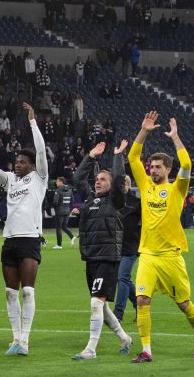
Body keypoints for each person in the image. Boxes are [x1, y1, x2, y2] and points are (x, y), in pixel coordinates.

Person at [127, 112, 194, 363]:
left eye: (158, 167)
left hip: (171, 257)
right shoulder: (145, 186)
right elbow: (132, 157)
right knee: (142, 299)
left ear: (167, 169)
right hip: (148, 256)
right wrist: (143, 130)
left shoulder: (177, 189)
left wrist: (175, 138)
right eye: (151, 166)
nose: (152, 170)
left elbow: (187, 165)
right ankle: (146, 350)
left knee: (184, 304)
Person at [0, 102, 48, 356]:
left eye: (22, 162)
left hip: (30, 239)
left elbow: (41, 151)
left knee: (28, 291)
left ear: (32, 165)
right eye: (16, 162)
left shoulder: (39, 177)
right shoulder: (10, 180)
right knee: (11, 292)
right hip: (9, 239)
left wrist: (32, 122)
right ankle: (15, 338)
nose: (17, 165)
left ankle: (26, 340)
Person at [70, 141, 133, 360]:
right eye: (96, 179)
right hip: (90, 257)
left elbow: (118, 182)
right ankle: (125, 337)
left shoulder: (116, 200)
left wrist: (118, 157)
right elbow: (77, 179)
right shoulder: (90, 199)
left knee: (96, 302)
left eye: (102, 179)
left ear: (112, 183)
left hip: (108, 257)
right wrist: (91, 156)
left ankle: (91, 349)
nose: (97, 182)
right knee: (101, 305)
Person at [112, 175, 140, 324]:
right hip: (117, 246)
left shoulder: (136, 203)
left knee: (121, 277)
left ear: (128, 186)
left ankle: (118, 312)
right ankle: (139, 305)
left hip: (132, 247)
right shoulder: (114, 201)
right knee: (124, 278)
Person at [50, 177, 76, 249]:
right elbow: (72, 200)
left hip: (59, 211)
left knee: (58, 228)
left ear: (61, 182)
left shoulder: (58, 191)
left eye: (57, 181)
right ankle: (72, 236)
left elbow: (55, 202)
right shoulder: (70, 190)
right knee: (64, 227)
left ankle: (59, 245)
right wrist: (68, 207)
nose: (56, 183)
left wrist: (54, 206)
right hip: (67, 211)